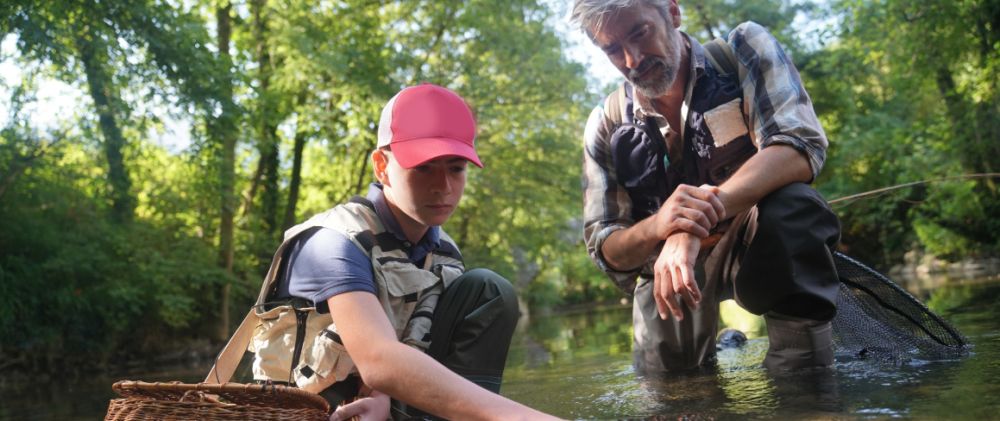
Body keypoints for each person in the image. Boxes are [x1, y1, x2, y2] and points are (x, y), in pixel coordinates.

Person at [248, 83, 559, 421]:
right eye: (424, 167)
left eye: (456, 168)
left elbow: (410, 338)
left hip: (389, 403)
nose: (443, 186)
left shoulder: (445, 252)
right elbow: (378, 359)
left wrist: (382, 394)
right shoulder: (333, 242)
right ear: (381, 166)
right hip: (313, 411)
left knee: (489, 290)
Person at [573, 0, 842, 372]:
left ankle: (803, 384)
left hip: (755, 241)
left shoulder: (744, 49)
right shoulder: (605, 124)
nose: (632, 59)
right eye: (613, 49)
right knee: (672, 391)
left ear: (672, 12)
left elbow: (798, 146)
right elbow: (607, 250)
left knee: (795, 206)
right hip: (666, 271)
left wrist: (692, 223)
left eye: (640, 32)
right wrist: (661, 225)